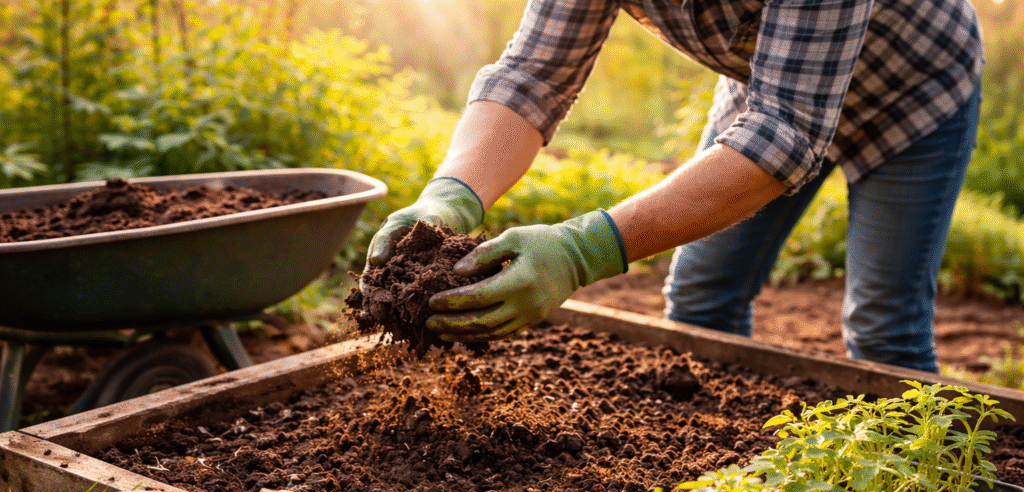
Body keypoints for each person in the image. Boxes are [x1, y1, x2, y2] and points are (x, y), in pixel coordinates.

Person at [364, 0, 983, 374]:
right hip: (768, 91)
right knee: (701, 299)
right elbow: (532, 74)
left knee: (883, 325)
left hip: (911, 97)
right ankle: (729, 487)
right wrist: (452, 193)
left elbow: (785, 132)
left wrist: (582, 250)